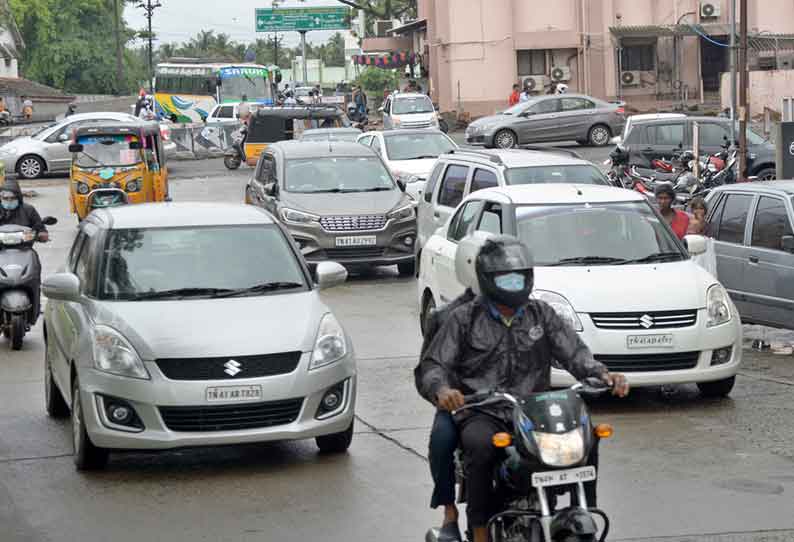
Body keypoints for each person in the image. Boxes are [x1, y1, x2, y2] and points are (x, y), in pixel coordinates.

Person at [416, 236, 629, 542]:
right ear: (488, 280)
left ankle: (585, 506)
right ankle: (478, 529)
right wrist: (443, 390)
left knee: (587, 436)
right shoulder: (463, 319)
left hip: (532, 409)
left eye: (519, 276)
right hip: (483, 409)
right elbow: (435, 365)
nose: (514, 283)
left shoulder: (541, 314)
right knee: (479, 445)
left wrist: (603, 375)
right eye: (506, 278)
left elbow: (574, 354)